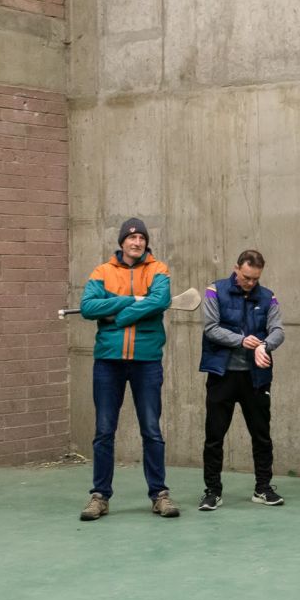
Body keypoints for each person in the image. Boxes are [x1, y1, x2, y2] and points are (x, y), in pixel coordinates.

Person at [78, 217, 177, 520]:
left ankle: (159, 495)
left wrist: (118, 314)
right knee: (104, 432)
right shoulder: (102, 272)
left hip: (146, 361)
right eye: (131, 238)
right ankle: (99, 497)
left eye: (142, 239)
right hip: (108, 361)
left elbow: (160, 300)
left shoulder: (158, 270)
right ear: (122, 242)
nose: (137, 243)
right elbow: (87, 307)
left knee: (151, 431)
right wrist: (130, 301)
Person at [197, 250, 286, 511]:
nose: (250, 283)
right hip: (221, 375)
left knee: (261, 436)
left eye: (255, 279)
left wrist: (264, 346)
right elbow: (211, 328)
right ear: (236, 268)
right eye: (246, 277)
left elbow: (278, 330)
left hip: (256, 378)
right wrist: (242, 341)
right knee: (214, 436)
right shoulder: (214, 291)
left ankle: (263, 488)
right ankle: (212, 491)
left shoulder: (269, 297)